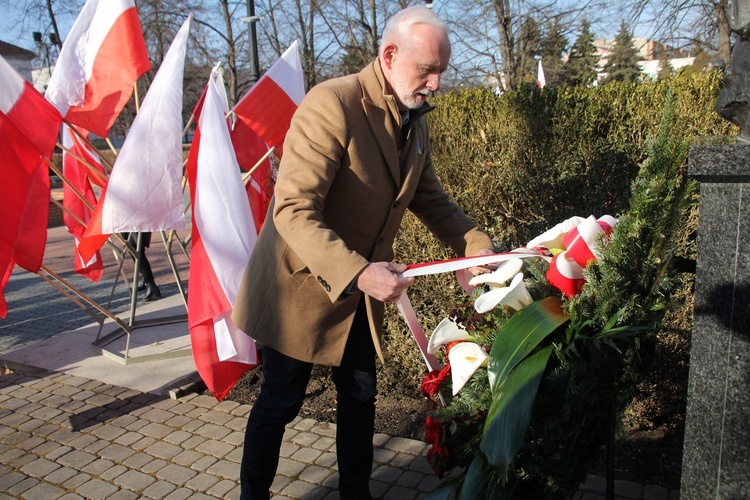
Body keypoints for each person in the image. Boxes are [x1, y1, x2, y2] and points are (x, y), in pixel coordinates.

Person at [231, 5, 495, 499]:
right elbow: (291, 210)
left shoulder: (414, 119)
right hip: (301, 287)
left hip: (360, 292)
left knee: (359, 399)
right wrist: (357, 272)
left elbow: (430, 200)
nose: (436, 84)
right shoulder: (332, 103)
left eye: (441, 71)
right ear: (390, 55)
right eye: (427, 70)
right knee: (281, 401)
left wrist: (476, 247)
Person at [125, 232, 161, 301]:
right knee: (134, 249)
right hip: (129, 225)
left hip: (133, 225)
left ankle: (151, 284)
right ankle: (146, 279)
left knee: (136, 249)